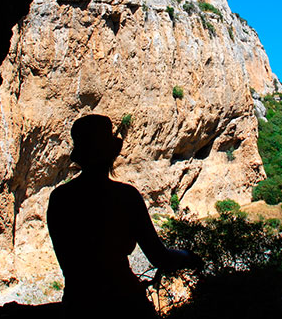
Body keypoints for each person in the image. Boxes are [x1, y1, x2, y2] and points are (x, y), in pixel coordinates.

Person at [47, 114, 201, 318]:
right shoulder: (125, 196)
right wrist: (188, 257)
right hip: (124, 302)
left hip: (79, 304)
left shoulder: (60, 199)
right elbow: (159, 257)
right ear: (110, 154)